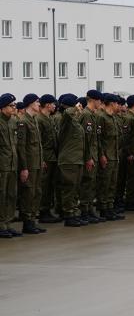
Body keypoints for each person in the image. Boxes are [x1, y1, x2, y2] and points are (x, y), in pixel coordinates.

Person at [17, 93, 46, 234]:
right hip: (29, 164)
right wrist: (24, 167)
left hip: (36, 163)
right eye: (37, 102)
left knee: (36, 192)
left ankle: (32, 220)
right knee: (28, 193)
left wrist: (41, 161)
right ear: (30, 104)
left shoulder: (33, 120)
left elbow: (37, 145)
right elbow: (21, 147)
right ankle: (27, 222)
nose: (39, 104)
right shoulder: (23, 122)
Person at [57, 94, 86, 227]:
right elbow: (68, 113)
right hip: (68, 160)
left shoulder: (74, 121)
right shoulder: (65, 119)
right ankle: (68, 214)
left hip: (77, 159)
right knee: (69, 188)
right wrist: (75, 107)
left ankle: (74, 212)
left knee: (75, 188)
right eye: (75, 104)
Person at [79, 90, 103, 223]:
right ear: (93, 100)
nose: (100, 103)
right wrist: (88, 157)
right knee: (86, 184)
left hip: (93, 155)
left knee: (91, 184)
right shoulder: (86, 115)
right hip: (88, 156)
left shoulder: (92, 115)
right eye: (99, 100)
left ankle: (89, 209)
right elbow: (85, 140)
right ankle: (84, 211)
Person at [37, 94, 61, 223]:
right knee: (44, 185)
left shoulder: (49, 118)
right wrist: (41, 159)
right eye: (52, 104)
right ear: (47, 105)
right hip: (46, 156)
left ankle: (47, 210)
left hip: (52, 156)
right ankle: (43, 211)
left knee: (50, 185)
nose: (54, 106)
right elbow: (39, 141)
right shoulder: (39, 119)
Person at [0, 94, 19, 238]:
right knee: (2, 195)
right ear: (2, 108)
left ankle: (7, 223)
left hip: (12, 164)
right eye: (11, 105)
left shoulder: (13, 121)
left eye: (14, 105)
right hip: (2, 165)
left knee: (11, 195)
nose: (14, 108)